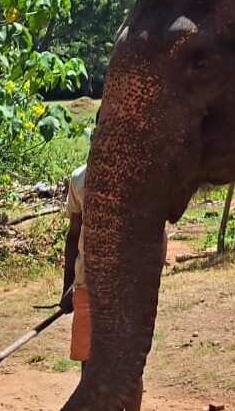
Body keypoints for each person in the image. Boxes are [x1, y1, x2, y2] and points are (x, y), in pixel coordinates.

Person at [61, 159, 147, 411]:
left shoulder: (137, 176)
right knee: (92, 367)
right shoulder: (79, 178)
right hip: (89, 286)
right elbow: (74, 234)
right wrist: (68, 287)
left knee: (128, 366)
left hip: (124, 288)